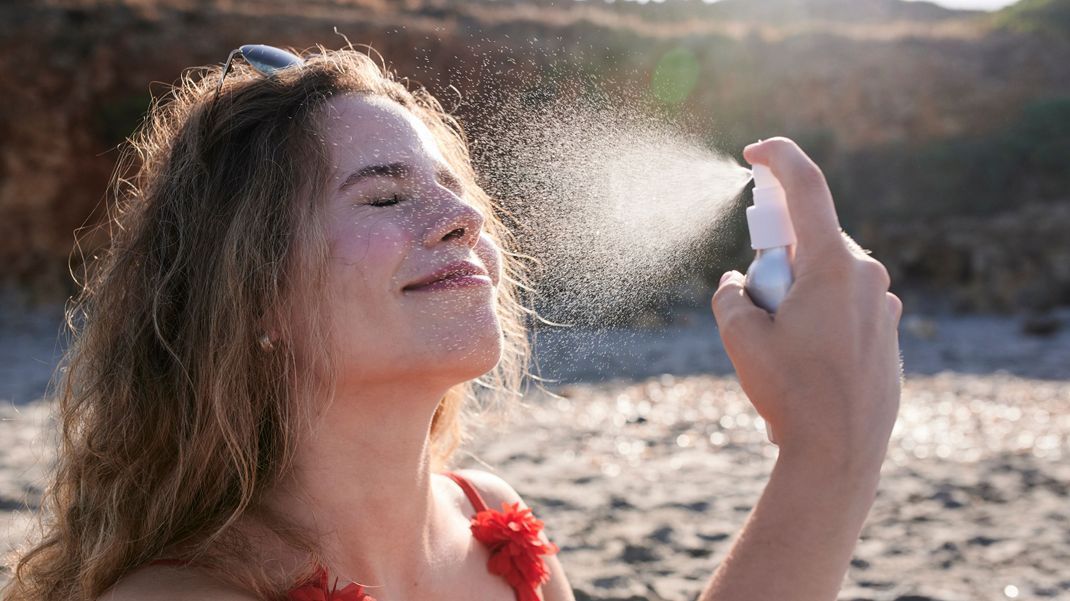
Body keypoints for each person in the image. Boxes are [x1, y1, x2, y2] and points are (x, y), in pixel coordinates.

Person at [1, 44, 902, 601]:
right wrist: (828, 450)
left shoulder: (498, 523)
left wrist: (828, 447)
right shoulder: (177, 599)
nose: (462, 217)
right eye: (386, 193)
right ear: (253, 294)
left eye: (455, 188)